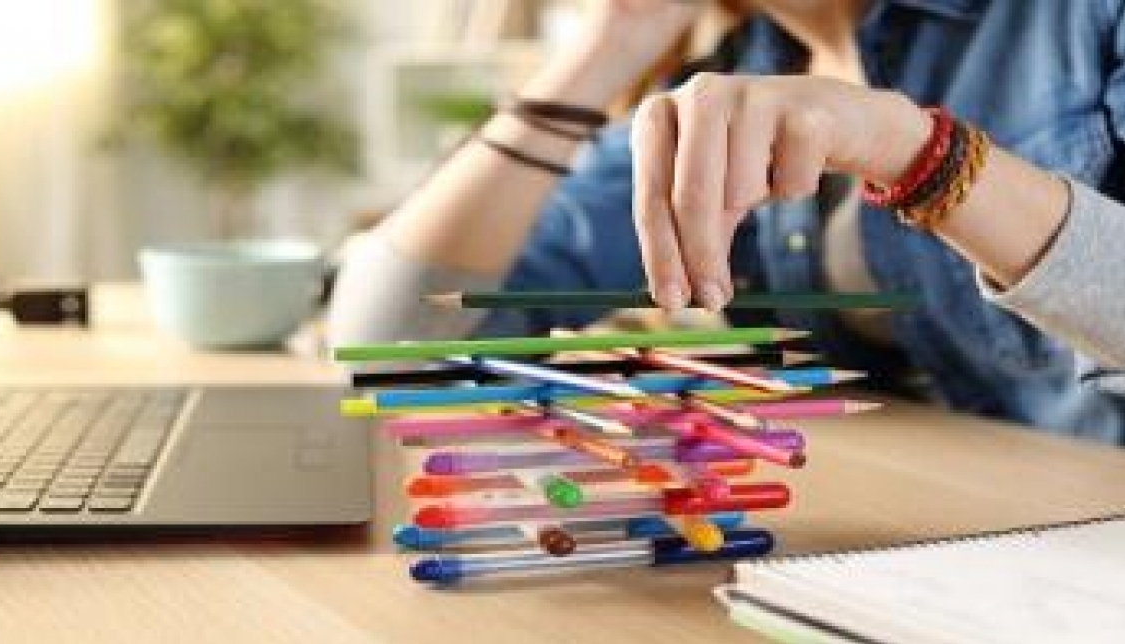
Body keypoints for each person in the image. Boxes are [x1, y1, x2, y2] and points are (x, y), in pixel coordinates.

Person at [330, 0, 1125, 442]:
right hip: (933, 556)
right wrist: (610, 41)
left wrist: (913, 151)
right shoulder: (724, 93)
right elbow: (395, 351)